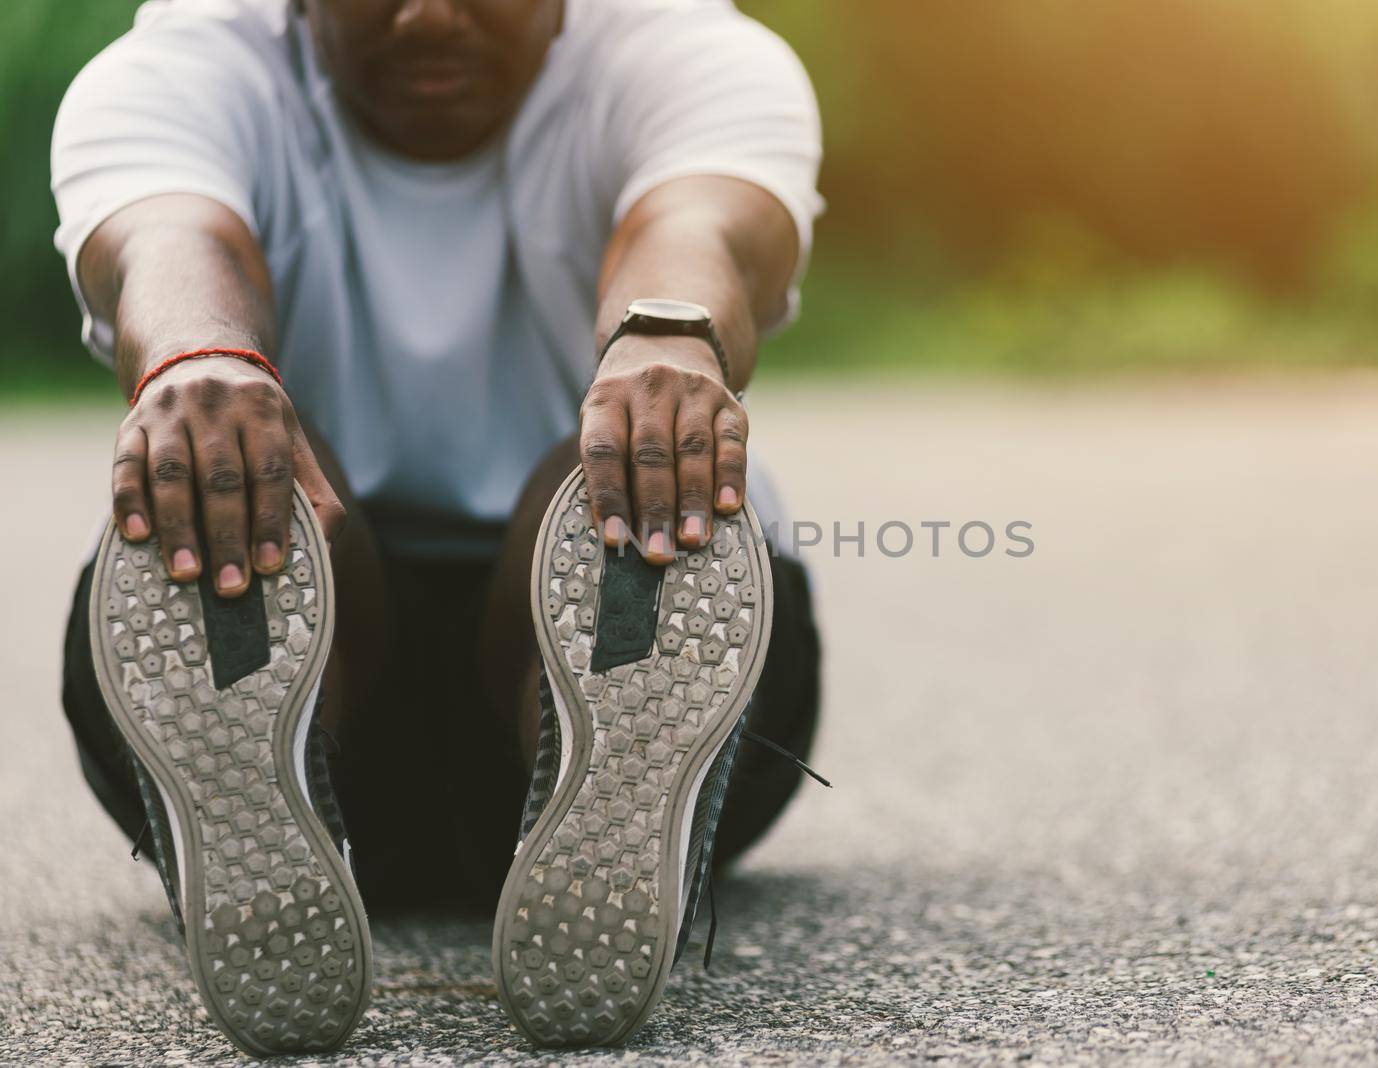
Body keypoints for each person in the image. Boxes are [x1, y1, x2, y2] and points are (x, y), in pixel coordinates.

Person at [51, 0, 824, 1053]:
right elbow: (170, 235)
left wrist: (667, 342)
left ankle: (604, 791)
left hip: (603, 618)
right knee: (237, 465)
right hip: (321, 650)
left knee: (605, 474)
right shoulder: (181, 65)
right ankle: (274, 802)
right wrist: (200, 364)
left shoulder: (689, 50)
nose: (426, 16)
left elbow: (696, 223)